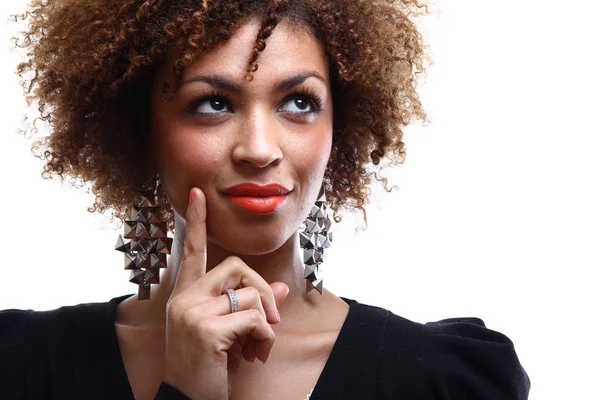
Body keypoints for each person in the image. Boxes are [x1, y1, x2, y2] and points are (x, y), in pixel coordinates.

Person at [0, 0, 530, 399]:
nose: (258, 149)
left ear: (338, 130)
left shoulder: (442, 381)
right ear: (141, 132)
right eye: (212, 103)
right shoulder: (21, 365)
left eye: (299, 102)